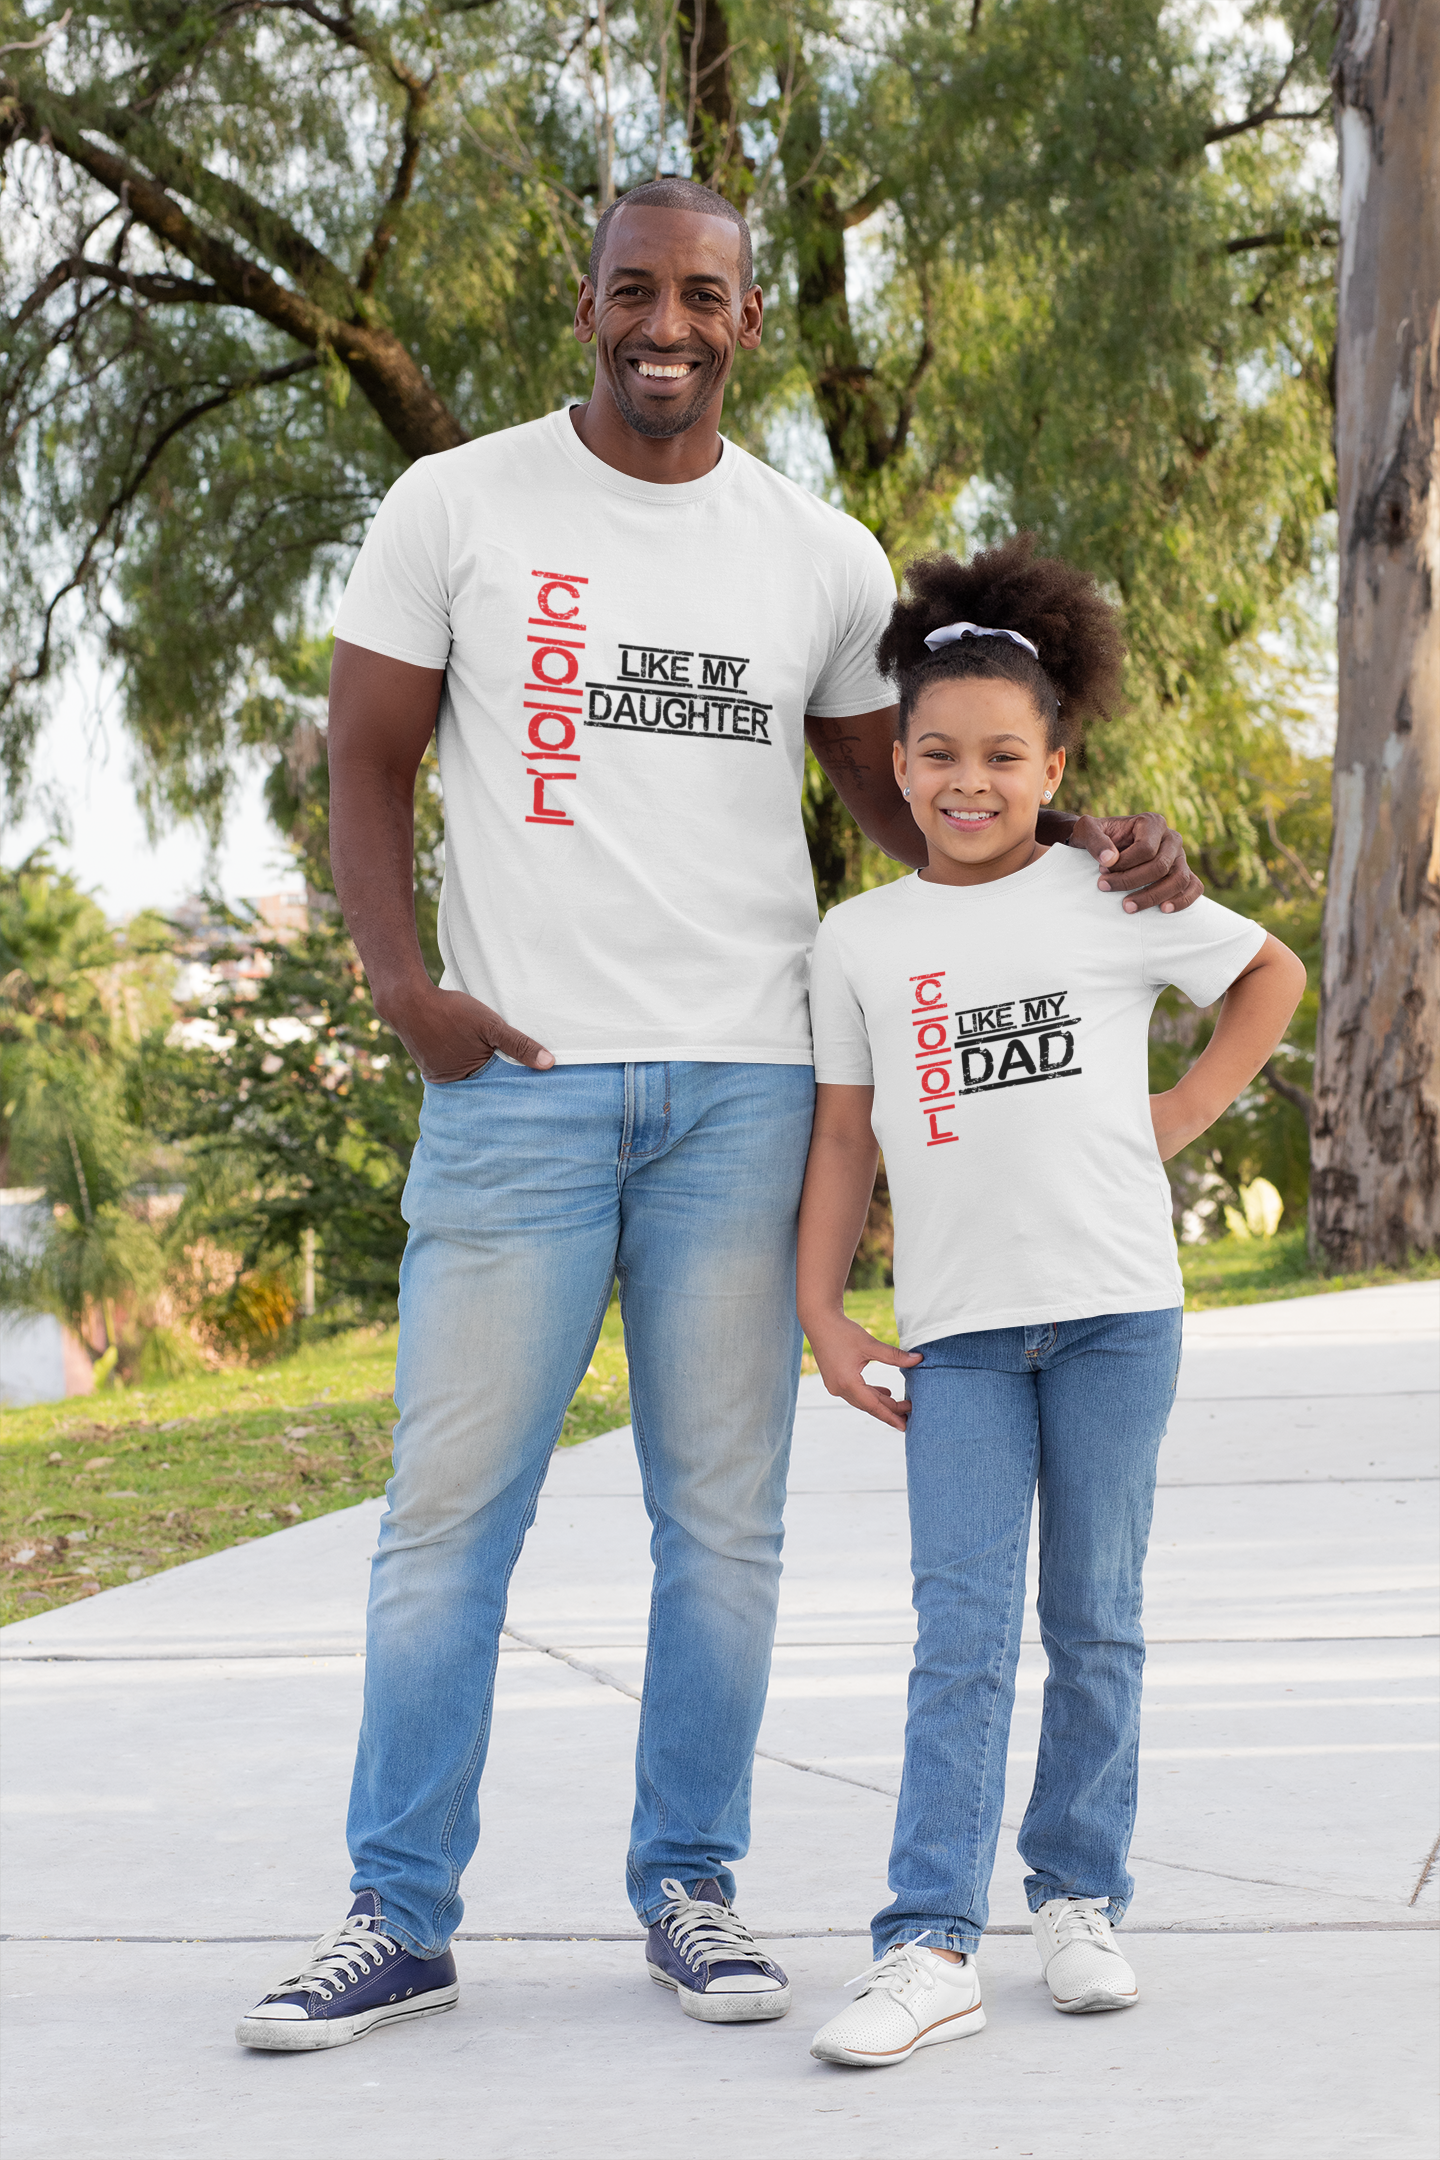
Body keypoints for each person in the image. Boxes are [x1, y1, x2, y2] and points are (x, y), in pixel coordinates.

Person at [235, 182, 1203, 2054]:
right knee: (448, 1521)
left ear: (746, 321)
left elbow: (913, 797)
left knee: (723, 1524)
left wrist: (1094, 851)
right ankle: (398, 1912)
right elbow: (366, 752)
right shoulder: (461, 507)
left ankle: (691, 1883)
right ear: (584, 305)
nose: (662, 322)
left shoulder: (821, 556)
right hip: (516, 1088)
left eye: (700, 294)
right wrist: (402, 989)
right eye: (630, 290)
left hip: (747, 1094)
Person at [797, 539, 1305, 2069]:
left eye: (1003, 757)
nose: (969, 781)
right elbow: (839, 1136)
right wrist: (823, 1315)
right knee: (961, 1631)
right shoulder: (860, 941)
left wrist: (1175, 1114)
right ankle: (929, 1944)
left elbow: (1270, 976)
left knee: (1098, 1622)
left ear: (1055, 763)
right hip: (956, 1336)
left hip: (1112, 1318)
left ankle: (1079, 1898)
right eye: (938, 755)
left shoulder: (1110, 891)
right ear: (895, 761)